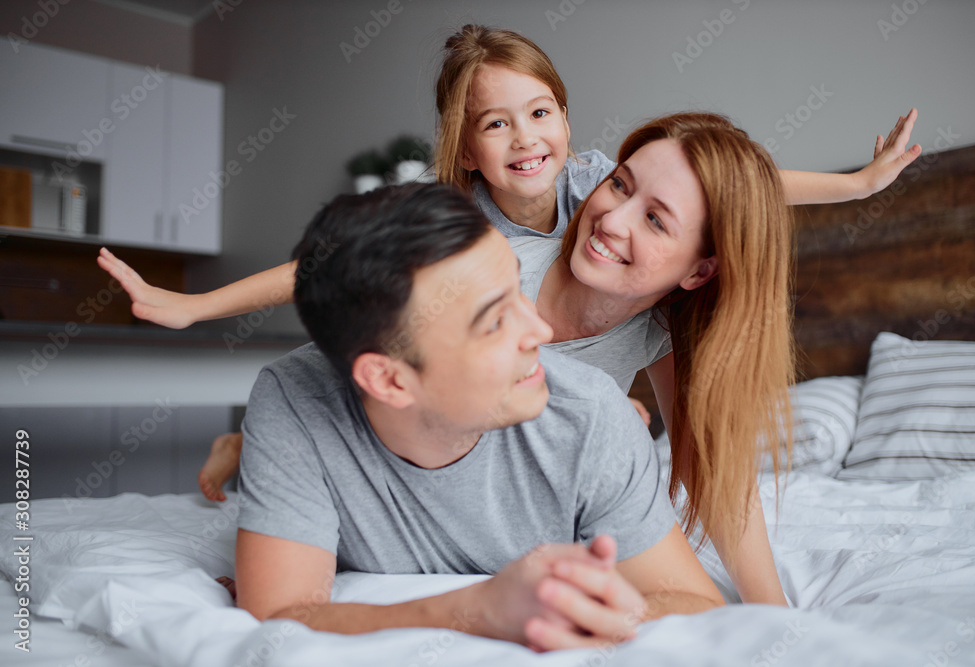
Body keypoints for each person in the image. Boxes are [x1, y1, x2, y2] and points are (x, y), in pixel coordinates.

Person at [96, 26, 920, 601]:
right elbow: (329, 270)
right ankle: (254, 443)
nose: (613, 213)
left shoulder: (642, 299)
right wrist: (199, 305)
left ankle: (254, 444)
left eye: (656, 220)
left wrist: (852, 184)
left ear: (701, 268)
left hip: (494, 439)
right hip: (400, 416)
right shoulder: (487, 244)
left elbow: (732, 188)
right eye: (620, 187)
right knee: (324, 395)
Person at [235, 183, 724, 651]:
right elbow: (281, 615)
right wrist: (472, 610)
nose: (539, 329)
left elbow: (697, 605)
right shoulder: (294, 397)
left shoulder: (591, 414)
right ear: (388, 381)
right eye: (494, 321)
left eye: (519, 290)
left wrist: (571, 606)